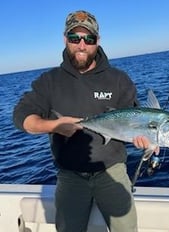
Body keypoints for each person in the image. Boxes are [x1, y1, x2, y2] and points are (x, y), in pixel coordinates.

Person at [13, 10, 155, 232]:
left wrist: (146, 138)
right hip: (70, 177)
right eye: (74, 38)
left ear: (97, 41)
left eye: (88, 39)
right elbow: (21, 118)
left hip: (113, 172)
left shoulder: (118, 79)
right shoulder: (49, 81)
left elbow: (135, 118)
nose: (81, 45)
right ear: (65, 39)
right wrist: (55, 126)